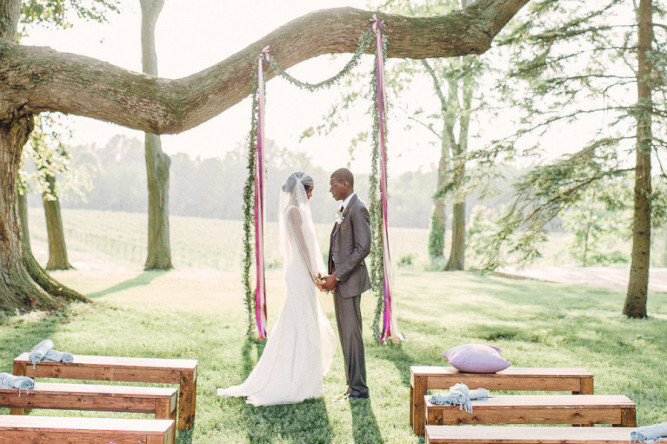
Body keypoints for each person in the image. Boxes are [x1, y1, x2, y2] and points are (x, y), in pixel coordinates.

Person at [218, 172, 336, 406]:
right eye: (310, 190)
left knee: (302, 318)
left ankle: (306, 378)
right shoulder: (293, 211)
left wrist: (316, 272)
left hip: (304, 270)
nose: (311, 195)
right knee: (300, 319)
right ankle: (294, 380)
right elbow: (302, 246)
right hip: (300, 272)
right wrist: (314, 275)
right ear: (301, 189)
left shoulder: (295, 210)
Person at [318, 168, 371, 400]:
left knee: (352, 336)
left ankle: (359, 389)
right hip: (341, 283)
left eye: (333, 184)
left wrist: (337, 276)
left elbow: (363, 248)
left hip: (348, 284)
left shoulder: (358, 209)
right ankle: (352, 387)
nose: (330, 189)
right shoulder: (345, 208)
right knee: (347, 335)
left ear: (345, 184)